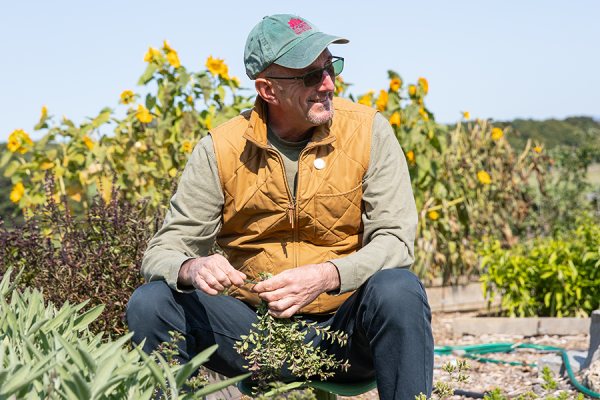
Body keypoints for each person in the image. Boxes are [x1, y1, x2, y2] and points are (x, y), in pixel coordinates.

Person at [127, 14, 434, 400]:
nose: (328, 84)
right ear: (267, 90)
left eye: (330, 67)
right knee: (151, 303)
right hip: (256, 337)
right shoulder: (220, 149)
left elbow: (396, 240)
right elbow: (163, 250)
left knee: (399, 288)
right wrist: (193, 266)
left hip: (345, 336)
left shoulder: (368, 131)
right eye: (310, 76)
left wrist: (328, 276)